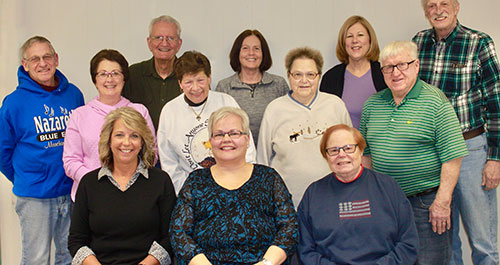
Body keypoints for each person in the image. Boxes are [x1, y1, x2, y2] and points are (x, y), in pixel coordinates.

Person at [360, 41, 468, 264]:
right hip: (386, 203)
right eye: (388, 67)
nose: (395, 72)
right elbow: (366, 155)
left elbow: (453, 157)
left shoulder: (435, 101)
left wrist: (442, 202)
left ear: (416, 66)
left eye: (402, 65)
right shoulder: (372, 105)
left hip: (426, 204)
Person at [412, 1, 500, 263]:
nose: (437, 10)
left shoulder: (479, 42)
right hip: (432, 153)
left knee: (483, 239)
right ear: (425, 11)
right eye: (431, 5)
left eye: (444, 3)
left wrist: (495, 158)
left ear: (456, 7)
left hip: (470, 148)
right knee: (444, 240)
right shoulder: (417, 42)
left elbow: (496, 102)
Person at [170, 106, 298, 265]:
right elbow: (179, 233)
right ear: (210, 141)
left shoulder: (269, 178)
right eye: (219, 134)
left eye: (234, 133)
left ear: (247, 139)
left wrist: (266, 263)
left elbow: (289, 227)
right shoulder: (196, 181)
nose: (226, 139)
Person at [0, 36, 84, 265]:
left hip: (71, 192)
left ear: (56, 59)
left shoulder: (74, 95)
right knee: (36, 259)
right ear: (25, 65)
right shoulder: (14, 103)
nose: (42, 63)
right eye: (34, 59)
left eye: (47, 56)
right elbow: (2, 152)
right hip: (35, 197)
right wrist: (26, 178)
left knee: (70, 257)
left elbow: (81, 140)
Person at [68, 107, 176, 265]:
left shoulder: (160, 181)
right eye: (119, 135)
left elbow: (169, 237)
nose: (127, 142)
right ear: (109, 140)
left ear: (142, 142)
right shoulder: (89, 183)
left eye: (134, 136)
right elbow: (77, 240)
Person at [297, 124, 418, 265]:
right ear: (326, 156)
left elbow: (408, 244)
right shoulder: (313, 194)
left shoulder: (388, 187)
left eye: (348, 148)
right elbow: (305, 250)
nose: (341, 155)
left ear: (360, 150)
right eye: (334, 150)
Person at [257, 47, 352, 207]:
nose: (304, 80)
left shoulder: (335, 105)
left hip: (334, 198)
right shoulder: (275, 109)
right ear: (288, 76)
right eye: (297, 75)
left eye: (310, 75)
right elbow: (262, 160)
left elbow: (351, 152)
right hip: (288, 203)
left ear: (319, 76)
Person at [158, 50, 256, 194]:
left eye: (200, 80)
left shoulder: (226, 102)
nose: (196, 88)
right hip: (192, 191)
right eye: (188, 82)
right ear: (180, 83)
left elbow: (247, 147)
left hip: (234, 187)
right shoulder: (169, 111)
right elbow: (169, 162)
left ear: (209, 78)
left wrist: (241, 186)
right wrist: (188, 193)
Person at [63, 49, 155, 202]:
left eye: (115, 73)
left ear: (124, 78)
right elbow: (70, 160)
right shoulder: (79, 115)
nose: (109, 79)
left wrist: (127, 180)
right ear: (95, 79)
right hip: (91, 195)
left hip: (133, 194)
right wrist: (96, 182)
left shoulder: (139, 111)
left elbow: (151, 153)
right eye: (103, 74)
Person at [215, 29, 289, 142]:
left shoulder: (278, 84)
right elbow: (218, 128)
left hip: (273, 155)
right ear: (237, 53)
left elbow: (288, 123)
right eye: (245, 48)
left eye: (256, 48)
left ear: (263, 53)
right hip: (236, 155)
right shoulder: (224, 87)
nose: (251, 53)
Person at [319, 15, 386, 128]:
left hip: (380, 144)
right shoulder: (331, 78)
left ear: (370, 40)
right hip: (343, 145)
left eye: (360, 35)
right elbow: (324, 120)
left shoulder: (385, 73)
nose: (355, 40)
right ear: (343, 42)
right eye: (349, 36)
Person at [122, 15, 183, 130]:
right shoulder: (133, 74)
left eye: (170, 38)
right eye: (158, 37)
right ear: (149, 43)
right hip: (140, 146)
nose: (164, 43)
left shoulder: (189, 75)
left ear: (179, 44)